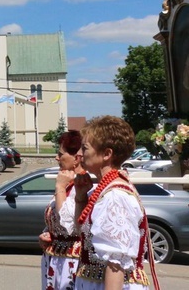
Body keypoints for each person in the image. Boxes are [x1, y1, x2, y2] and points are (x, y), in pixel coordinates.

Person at [72, 116, 158, 289]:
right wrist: (81, 196)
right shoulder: (105, 189)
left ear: (106, 154)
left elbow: (115, 264)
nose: (80, 154)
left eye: (85, 148)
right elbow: (79, 230)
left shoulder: (115, 196)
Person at [39, 130, 84, 290]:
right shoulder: (66, 183)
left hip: (71, 262)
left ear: (76, 159)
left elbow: (69, 225)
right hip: (55, 259)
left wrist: (59, 187)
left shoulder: (83, 187)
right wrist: (48, 233)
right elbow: (56, 221)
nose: (57, 158)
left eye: (61, 154)